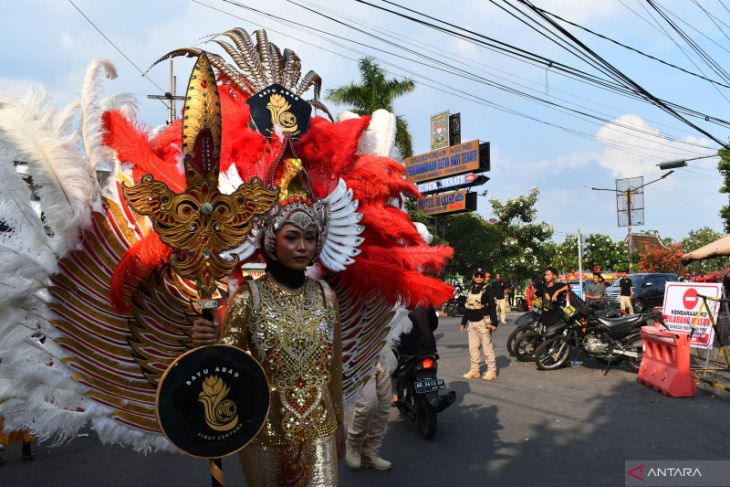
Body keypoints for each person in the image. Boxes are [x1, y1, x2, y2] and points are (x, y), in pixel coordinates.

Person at [191, 204, 344, 486]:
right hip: (265, 429)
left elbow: (334, 365)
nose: (302, 247)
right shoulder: (251, 297)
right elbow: (227, 362)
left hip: (320, 427)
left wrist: (339, 424)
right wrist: (206, 344)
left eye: (310, 238)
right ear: (272, 241)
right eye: (292, 237)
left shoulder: (325, 295)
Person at [345, 345, 395, 472]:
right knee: (368, 402)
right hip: (358, 354)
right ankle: (353, 445)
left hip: (382, 351)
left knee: (384, 404)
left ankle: (370, 453)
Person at [460, 268, 499, 381]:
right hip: (472, 323)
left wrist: (494, 322)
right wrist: (463, 322)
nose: (479, 277)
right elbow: (468, 307)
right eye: (477, 275)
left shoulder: (488, 289)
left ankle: (492, 371)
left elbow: (492, 306)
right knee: (473, 348)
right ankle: (475, 370)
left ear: (484, 277)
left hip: (483, 322)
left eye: (481, 276)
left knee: (487, 348)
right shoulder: (471, 289)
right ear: (473, 276)